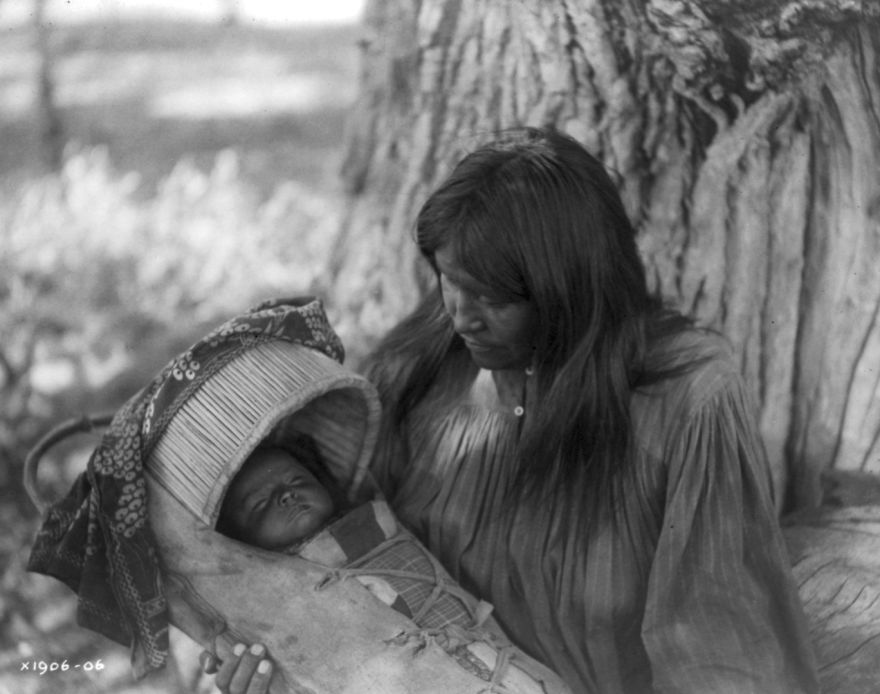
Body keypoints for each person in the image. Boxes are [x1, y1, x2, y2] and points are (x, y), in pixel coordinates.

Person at [206, 126, 820, 693]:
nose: (460, 316)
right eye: (449, 280)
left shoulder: (685, 399)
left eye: (495, 297)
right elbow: (323, 568)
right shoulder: (417, 375)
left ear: (569, 290)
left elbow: (720, 650)